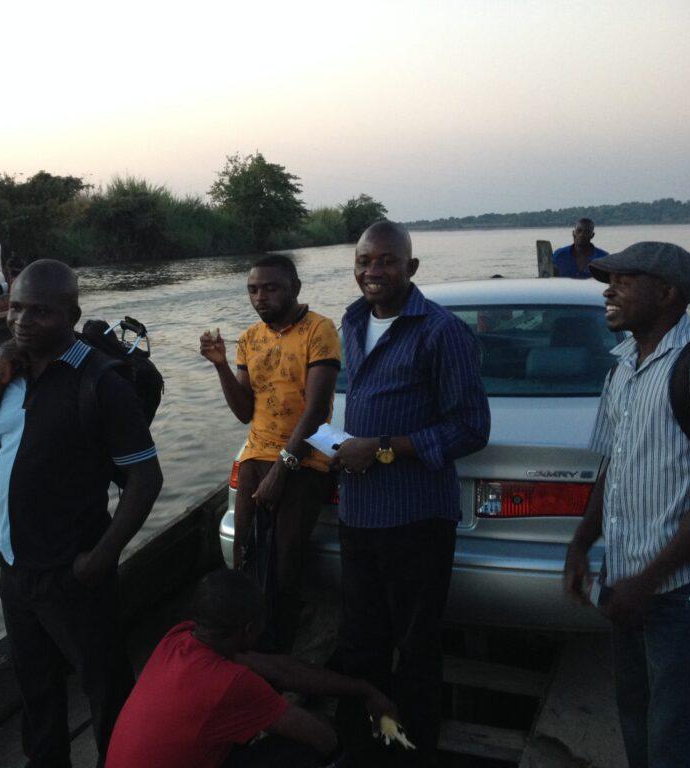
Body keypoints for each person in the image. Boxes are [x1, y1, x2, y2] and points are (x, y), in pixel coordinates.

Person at [0, 259, 163, 767]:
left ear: (71, 314)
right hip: (15, 569)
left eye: (40, 312)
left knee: (106, 687)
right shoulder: (8, 369)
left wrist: (101, 557)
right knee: (35, 689)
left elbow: (146, 478)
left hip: (75, 572)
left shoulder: (101, 382)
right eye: (15, 308)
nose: (22, 322)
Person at [330, 221, 490, 766]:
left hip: (415, 518)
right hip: (358, 515)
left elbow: (471, 427)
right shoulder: (352, 321)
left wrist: (380, 448)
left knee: (416, 647)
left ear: (412, 268)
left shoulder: (440, 332)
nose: (372, 271)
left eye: (386, 261)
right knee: (361, 641)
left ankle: (415, 749)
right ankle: (369, 743)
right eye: (364, 260)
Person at [563, 242, 690, 768]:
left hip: (677, 596)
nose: (607, 291)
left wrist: (648, 581)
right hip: (626, 585)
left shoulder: (686, 366)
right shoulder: (622, 367)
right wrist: (581, 542)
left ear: (667, 293)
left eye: (623, 280)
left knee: (673, 734)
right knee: (634, 713)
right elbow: (613, 465)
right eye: (606, 280)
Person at [106, 569, 400, 768]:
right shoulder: (231, 683)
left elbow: (281, 671)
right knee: (308, 751)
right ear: (248, 629)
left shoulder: (178, 639)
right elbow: (323, 739)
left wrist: (363, 690)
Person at [200, 254, 340, 653]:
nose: (260, 297)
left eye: (271, 288)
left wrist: (284, 468)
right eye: (253, 289)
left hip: (304, 458)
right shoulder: (249, 339)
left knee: (284, 560)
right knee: (244, 553)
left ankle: (279, 648)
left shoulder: (319, 330)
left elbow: (314, 411)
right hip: (255, 455)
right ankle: (251, 644)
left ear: (294, 288)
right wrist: (221, 367)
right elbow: (245, 411)